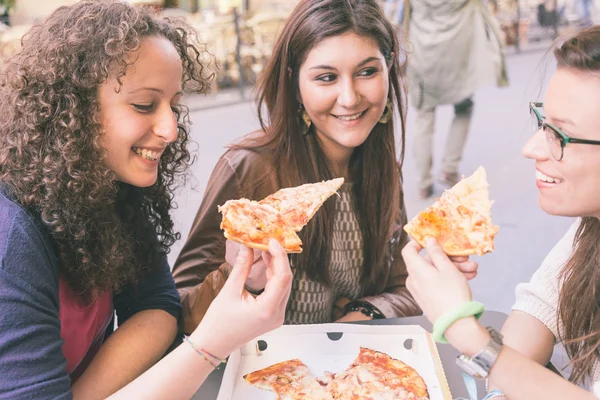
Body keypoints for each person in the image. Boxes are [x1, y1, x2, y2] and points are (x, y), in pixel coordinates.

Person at [0, 1, 292, 399]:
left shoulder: (109, 188)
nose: (171, 129)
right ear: (71, 109)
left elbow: (157, 307)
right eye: (144, 105)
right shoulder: (11, 238)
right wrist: (208, 345)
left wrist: (235, 273)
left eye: (174, 104)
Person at [172, 0, 479, 334]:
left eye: (367, 72)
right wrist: (237, 276)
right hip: (257, 374)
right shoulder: (249, 169)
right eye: (326, 77)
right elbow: (178, 314)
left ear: (389, 68)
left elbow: (403, 286)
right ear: (295, 84)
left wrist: (369, 310)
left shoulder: (382, 167)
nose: (349, 98)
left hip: (353, 377)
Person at [402, 25, 600, 399]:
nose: (531, 148)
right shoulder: (590, 227)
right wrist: (497, 388)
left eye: (562, 135)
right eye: (543, 122)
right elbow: (543, 306)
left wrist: (464, 331)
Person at [404, 0, 508, 199]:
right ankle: (450, 168)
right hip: (457, 52)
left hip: (423, 52)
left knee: (424, 116)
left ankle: (424, 182)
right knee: (464, 107)